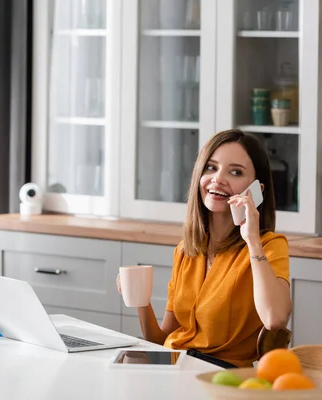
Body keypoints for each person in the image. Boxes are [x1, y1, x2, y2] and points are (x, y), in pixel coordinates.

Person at [117, 129, 292, 367]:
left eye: (235, 172)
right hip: (175, 367)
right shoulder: (185, 250)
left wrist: (252, 239)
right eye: (211, 167)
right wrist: (140, 299)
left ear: (256, 191)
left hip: (220, 375)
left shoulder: (269, 246)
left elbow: (275, 319)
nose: (218, 178)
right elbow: (162, 341)